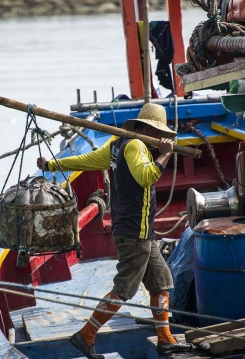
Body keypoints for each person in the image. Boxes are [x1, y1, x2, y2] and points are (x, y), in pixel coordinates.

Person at [36, 103, 192, 359]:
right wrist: (165, 155)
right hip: (134, 233)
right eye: (159, 134)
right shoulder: (136, 146)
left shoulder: (117, 145)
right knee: (124, 290)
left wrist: (52, 165)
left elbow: (86, 161)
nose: (160, 140)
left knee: (162, 281)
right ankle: (86, 335)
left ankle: (165, 339)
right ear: (150, 129)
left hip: (140, 231)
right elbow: (146, 176)